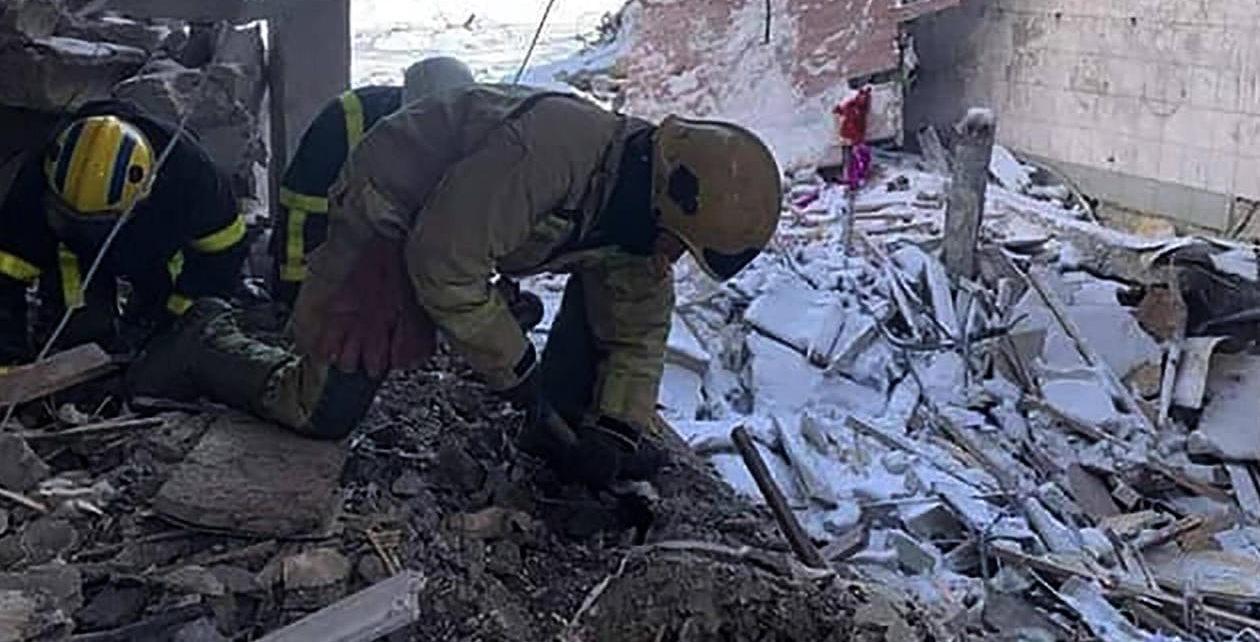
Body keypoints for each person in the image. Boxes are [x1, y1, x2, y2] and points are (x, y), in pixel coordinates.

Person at [130, 85, 781, 489]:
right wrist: (516, 373)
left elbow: (638, 329)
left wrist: (615, 429)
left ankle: (560, 438)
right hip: (391, 208)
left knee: (605, 305)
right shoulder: (552, 150)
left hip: (457, 231)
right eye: (677, 242)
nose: (670, 256)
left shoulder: (643, 212)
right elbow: (442, 263)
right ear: (668, 198)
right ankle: (204, 339)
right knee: (320, 410)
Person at [0, 102, 247, 363]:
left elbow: (222, 255)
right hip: (72, 256)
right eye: (69, 215)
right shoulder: (40, 176)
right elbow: (6, 271)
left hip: (155, 250)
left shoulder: (192, 180)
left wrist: (176, 320)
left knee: (169, 337)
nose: (88, 228)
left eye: (99, 221)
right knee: (85, 330)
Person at [272, 56, 474, 305]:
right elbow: (302, 211)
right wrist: (296, 292)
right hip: (342, 250)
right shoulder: (344, 120)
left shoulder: (477, 128)